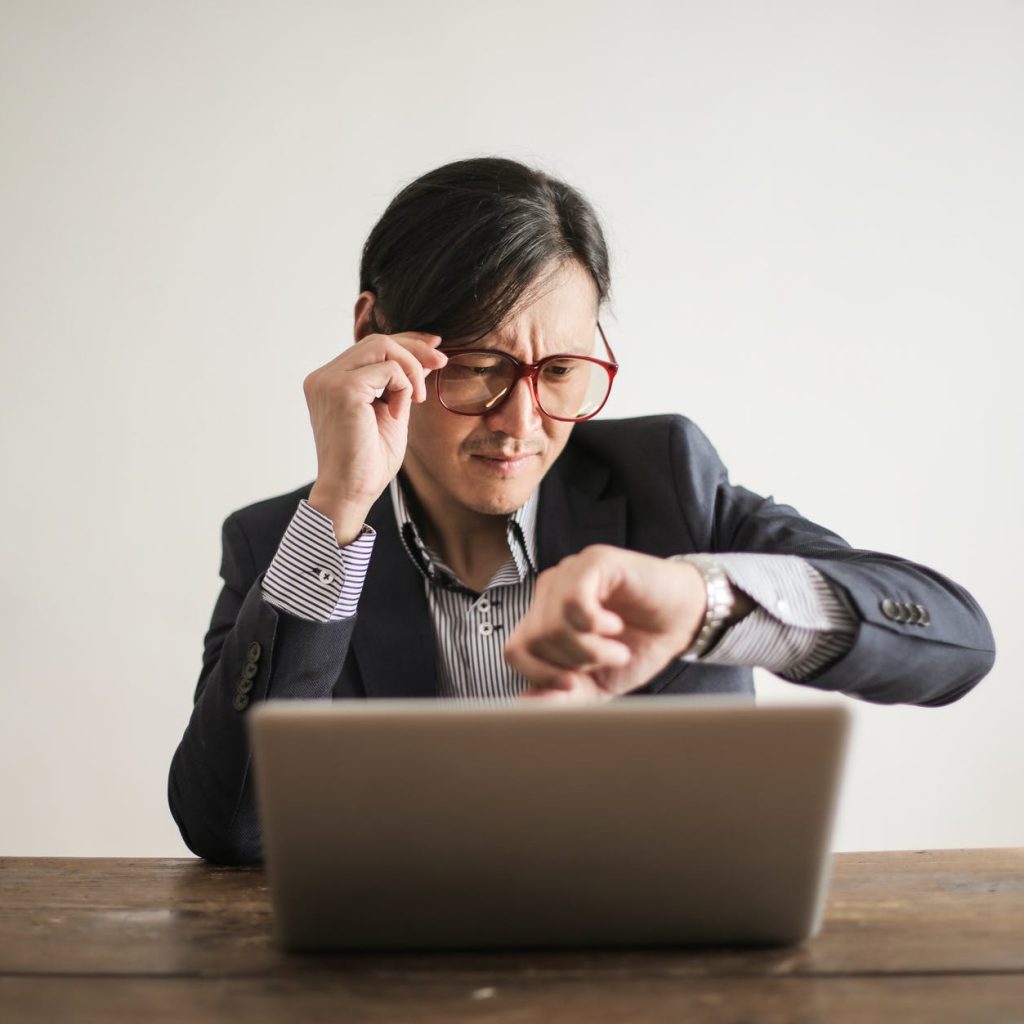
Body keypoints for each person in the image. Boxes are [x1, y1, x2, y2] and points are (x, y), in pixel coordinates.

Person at [168, 156, 995, 865]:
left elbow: (954, 642)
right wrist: (340, 511)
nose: (521, 424)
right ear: (373, 337)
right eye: (479, 366)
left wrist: (704, 606)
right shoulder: (284, 543)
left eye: (560, 370)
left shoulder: (666, 480)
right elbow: (229, 827)